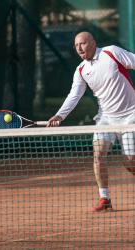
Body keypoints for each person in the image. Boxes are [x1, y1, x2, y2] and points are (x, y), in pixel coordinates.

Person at [46, 31, 135, 212]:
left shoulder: (111, 52)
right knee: (99, 154)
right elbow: (74, 95)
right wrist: (59, 115)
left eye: (83, 44)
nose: (79, 48)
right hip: (106, 118)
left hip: (131, 115)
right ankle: (104, 198)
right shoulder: (81, 70)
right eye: (76, 45)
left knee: (130, 163)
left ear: (93, 43)